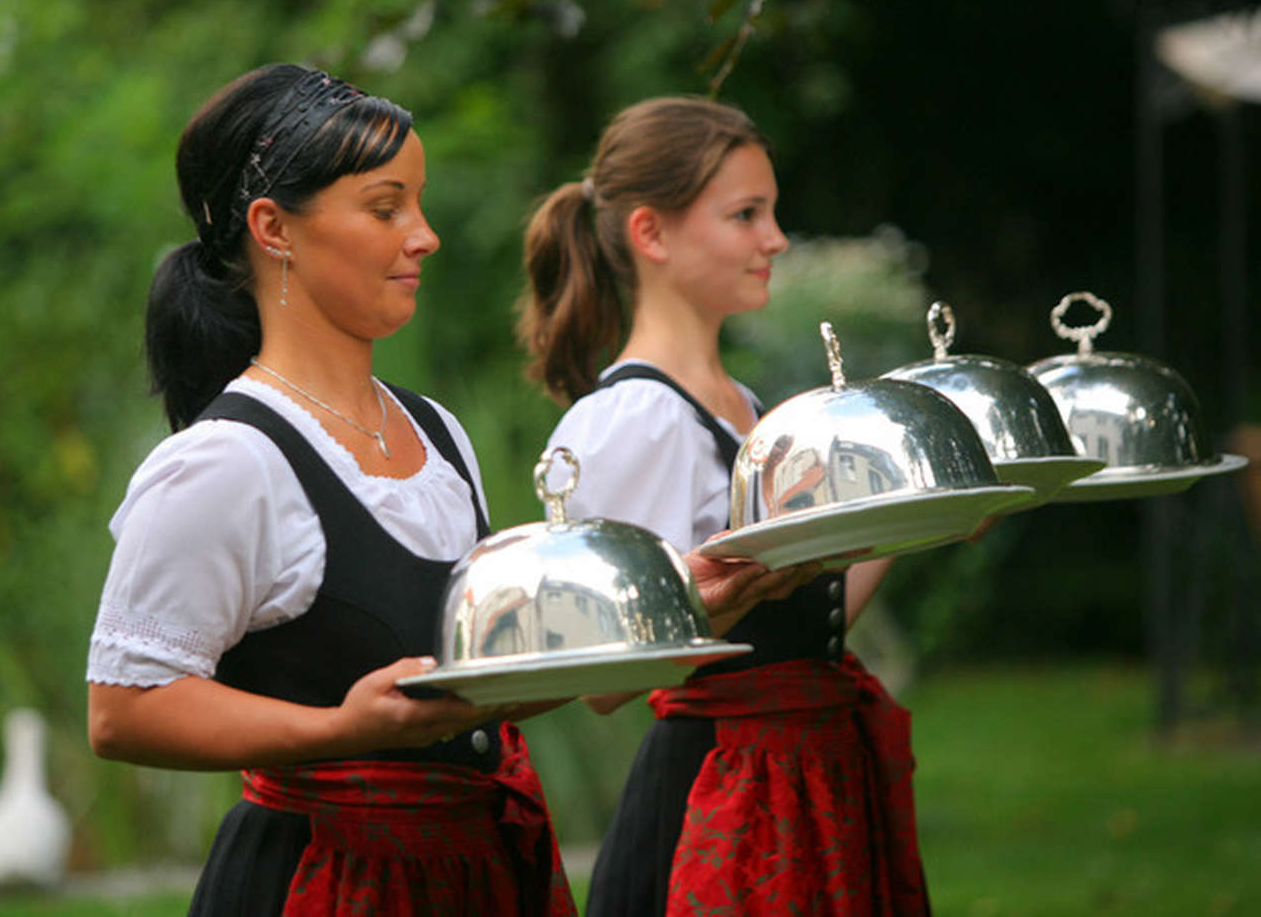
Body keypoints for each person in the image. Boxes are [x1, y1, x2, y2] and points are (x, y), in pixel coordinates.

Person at [85, 63, 578, 916]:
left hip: (471, 873)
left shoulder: (438, 434)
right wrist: (339, 731)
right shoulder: (226, 463)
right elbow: (125, 710)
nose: (424, 236)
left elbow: (466, 685)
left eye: (418, 207)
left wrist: (673, 610)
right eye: (386, 208)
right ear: (274, 228)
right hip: (320, 881)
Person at [518, 96, 930, 916]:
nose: (774, 239)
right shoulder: (634, 419)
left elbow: (806, 626)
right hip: (723, 801)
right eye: (746, 215)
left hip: (810, 777)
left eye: (770, 214)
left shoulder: (739, 402)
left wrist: (916, 512)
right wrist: (719, 599)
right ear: (651, 234)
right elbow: (603, 680)